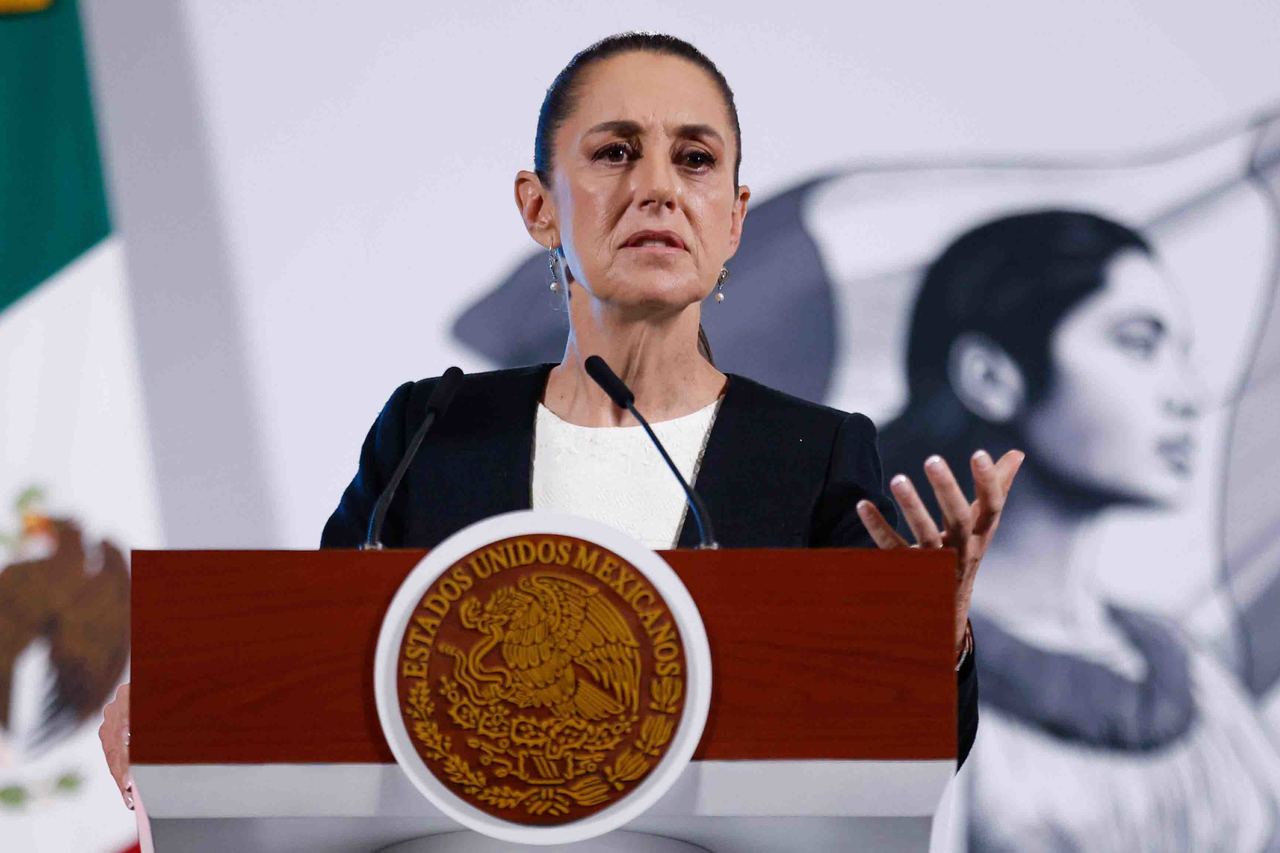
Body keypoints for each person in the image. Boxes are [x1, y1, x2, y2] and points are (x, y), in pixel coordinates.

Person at [100, 31, 1021, 814]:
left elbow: (899, 765)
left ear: (735, 219)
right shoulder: (431, 430)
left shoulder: (815, 454)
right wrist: (186, 698)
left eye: (696, 159)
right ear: (539, 207)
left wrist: (935, 641)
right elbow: (320, 673)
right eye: (615, 152)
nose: (658, 188)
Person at [878, 210, 1280, 851]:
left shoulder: (1191, 673)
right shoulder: (890, 661)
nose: (1188, 395)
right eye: (1138, 344)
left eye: (1182, 354)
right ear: (991, 376)